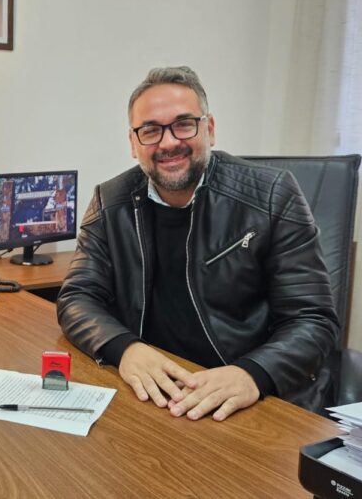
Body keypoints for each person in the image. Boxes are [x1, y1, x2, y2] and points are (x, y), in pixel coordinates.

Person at [57, 66, 339, 421]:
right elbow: (77, 297)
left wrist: (252, 373)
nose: (169, 142)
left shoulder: (272, 195)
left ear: (210, 129)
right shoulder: (110, 201)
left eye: (184, 124)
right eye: (151, 130)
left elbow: (313, 319)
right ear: (133, 143)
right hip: (157, 394)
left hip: (252, 399)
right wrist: (126, 349)